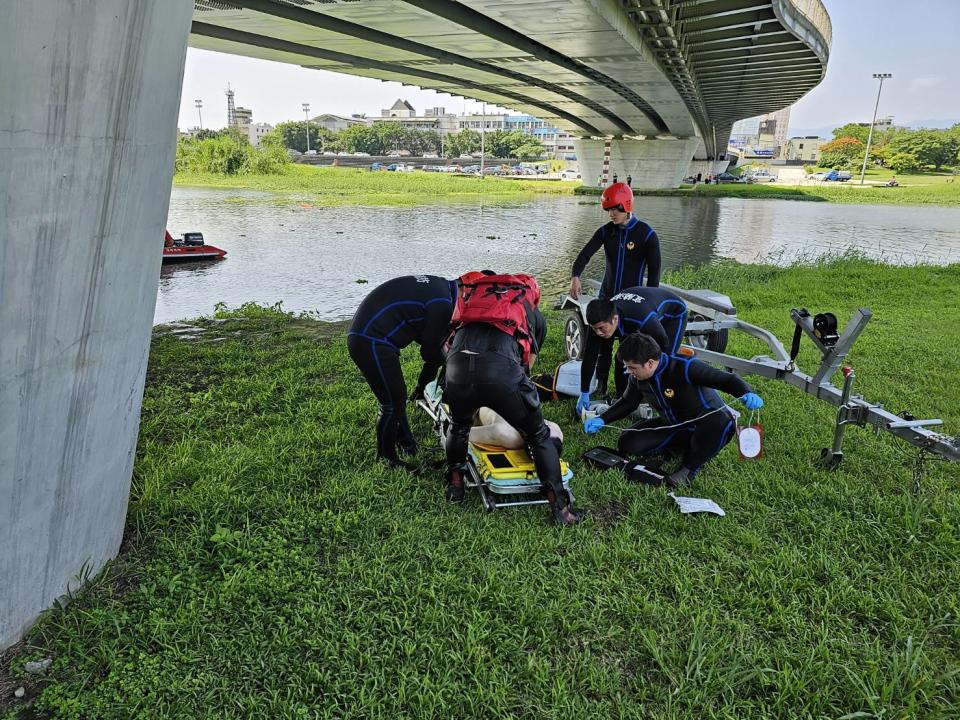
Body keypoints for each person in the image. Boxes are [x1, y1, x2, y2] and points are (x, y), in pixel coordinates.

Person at [444, 272, 584, 525]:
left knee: (459, 425)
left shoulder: (471, 308)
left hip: (457, 369)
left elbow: (448, 347)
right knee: (539, 435)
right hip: (500, 372)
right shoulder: (532, 316)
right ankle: (561, 510)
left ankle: (455, 488)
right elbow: (525, 367)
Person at [583, 332, 763, 487]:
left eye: (633, 368)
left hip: (707, 426)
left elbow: (726, 380)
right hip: (674, 424)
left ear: (650, 363)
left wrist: (747, 393)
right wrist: (603, 419)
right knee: (627, 442)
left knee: (720, 421)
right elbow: (628, 403)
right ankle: (682, 445)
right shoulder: (637, 378)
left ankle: (688, 469)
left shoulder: (685, 367)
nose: (630, 372)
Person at [347, 274, 456, 470]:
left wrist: (424, 384)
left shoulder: (440, 288)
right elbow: (429, 352)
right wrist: (453, 360)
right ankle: (386, 458)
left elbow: (423, 333)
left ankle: (406, 442)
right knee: (391, 402)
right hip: (371, 341)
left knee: (396, 394)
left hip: (367, 335)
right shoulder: (443, 305)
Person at [569, 182, 662, 399]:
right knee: (602, 346)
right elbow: (584, 255)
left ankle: (623, 393)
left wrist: (648, 304)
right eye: (608, 210)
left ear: (626, 205)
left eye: (614, 209)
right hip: (607, 299)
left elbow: (655, 275)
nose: (611, 214)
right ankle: (600, 385)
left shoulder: (646, 234)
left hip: (631, 303)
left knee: (627, 350)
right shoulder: (606, 232)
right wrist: (575, 276)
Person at [575, 287, 687, 411]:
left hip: (673, 314)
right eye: (595, 329)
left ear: (615, 319)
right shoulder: (598, 321)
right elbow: (590, 355)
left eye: (602, 328)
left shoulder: (642, 320)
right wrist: (584, 392)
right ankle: (622, 396)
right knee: (622, 357)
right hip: (636, 310)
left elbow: (664, 346)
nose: (599, 333)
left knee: (660, 360)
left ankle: (668, 396)